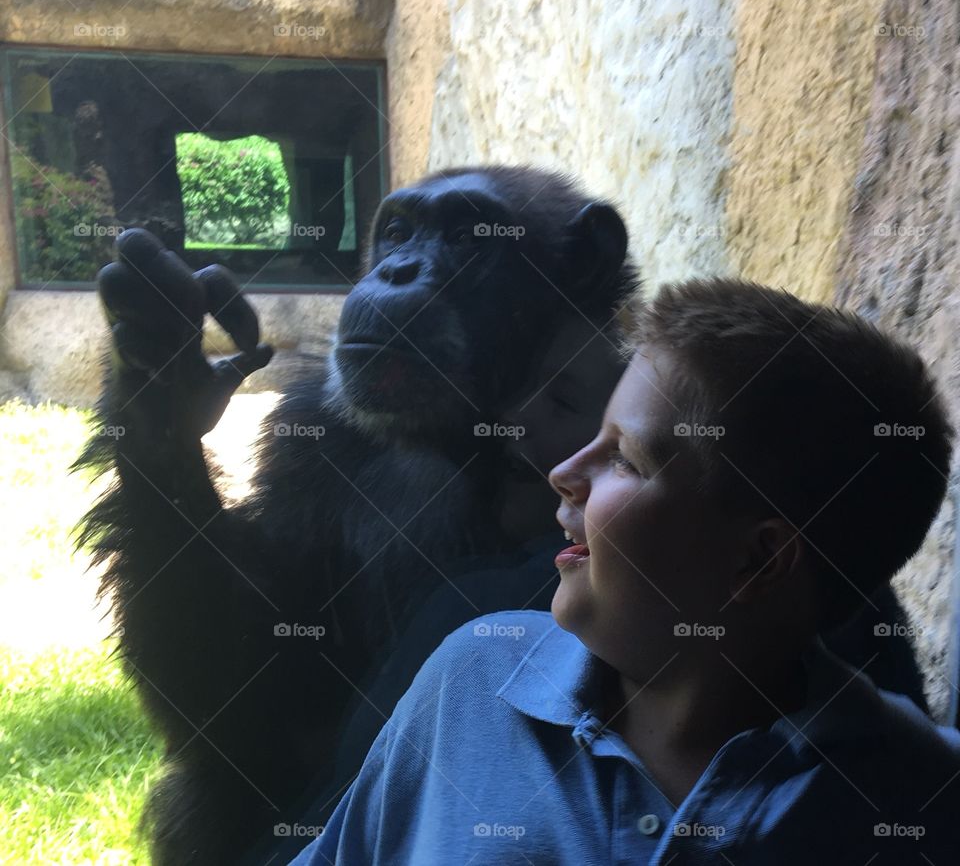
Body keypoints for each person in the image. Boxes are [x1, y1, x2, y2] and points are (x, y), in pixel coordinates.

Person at [289, 278, 960, 865]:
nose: (562, 472)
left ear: (758, 560)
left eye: (626, 459)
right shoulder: (469, 683)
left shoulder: (919, 800)